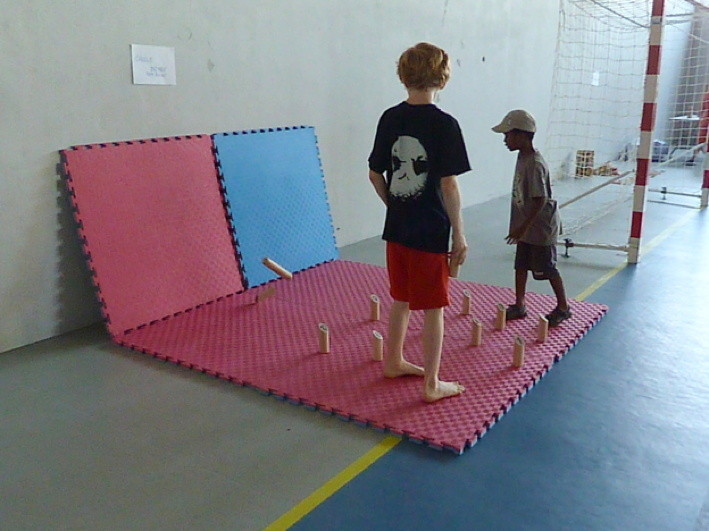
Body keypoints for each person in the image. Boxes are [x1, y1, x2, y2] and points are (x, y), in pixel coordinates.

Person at [368, 42, 471, 403]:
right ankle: (431, 383)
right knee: (433, 308)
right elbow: (449, 184)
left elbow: (375, 174)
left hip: (397, 229)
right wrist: (459, 235)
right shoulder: (445, 124)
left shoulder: (389, 117)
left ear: (403, 75)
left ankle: (393, 360)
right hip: (429, 232)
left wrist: (395, 206)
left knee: (401, 298)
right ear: (442, 78)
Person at [491, 109, 572, 327]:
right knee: (521, 265)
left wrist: (522, 228)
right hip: (527, 226)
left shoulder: (535, 163)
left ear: (522, 135)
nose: (505, 140)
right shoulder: (522, 156)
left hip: (540, 228)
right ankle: (520, 304)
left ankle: (564, 307)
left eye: (508, 135)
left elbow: (540, 199)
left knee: (547, 268)